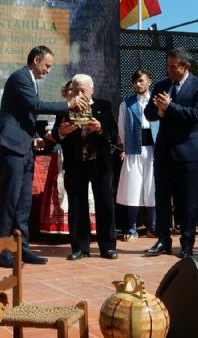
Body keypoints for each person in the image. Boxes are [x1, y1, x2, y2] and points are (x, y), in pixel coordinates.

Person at [0, 45, 87, 267]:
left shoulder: (31, 81)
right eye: (47, 65)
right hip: (12, 147)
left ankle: (22, 249)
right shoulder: (20, 78)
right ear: (36, 60)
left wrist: (34, 136)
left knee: (24, 202)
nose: (48, 70)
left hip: (25, 147)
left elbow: (23, 115)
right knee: (10, 200)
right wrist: (68, 105)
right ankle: (1, 251)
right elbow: (34, 106)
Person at [144, 48, 198, 259]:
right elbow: (149, 112)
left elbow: (197, 115)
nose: (170, 70)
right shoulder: (162, 85)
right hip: (164, 150)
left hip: (189, 152)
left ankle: (187, 242)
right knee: (162, 197)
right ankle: (163, 239)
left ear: (186, 67)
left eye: (174, 67)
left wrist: (170, 107)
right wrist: (160, 111)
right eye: (168, 66)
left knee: (188, 200)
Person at [53, 74, 118, 260]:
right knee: (77, 205)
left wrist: (100, 128)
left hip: (100, 163)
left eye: (83, 90)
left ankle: (107, 246)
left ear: (92, 90)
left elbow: (113, 132)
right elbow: (57, 136)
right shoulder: (65, 108)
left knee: (105, 204)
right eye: (76, 89)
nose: (80, 93)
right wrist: (62, 132)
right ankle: (80, 247)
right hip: (76, 163)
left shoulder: (103, 106)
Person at [117, 69, 158, 240]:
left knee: (152, 187)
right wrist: (126, 148)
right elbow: (122, 128)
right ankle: (131, 227)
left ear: (149, 82)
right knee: (132, 187)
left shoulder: (157, 102)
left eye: (142, 80)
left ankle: (153, 227)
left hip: (154, 149)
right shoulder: (126, 104)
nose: (138, 84)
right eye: (135, 81)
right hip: (134, 149)